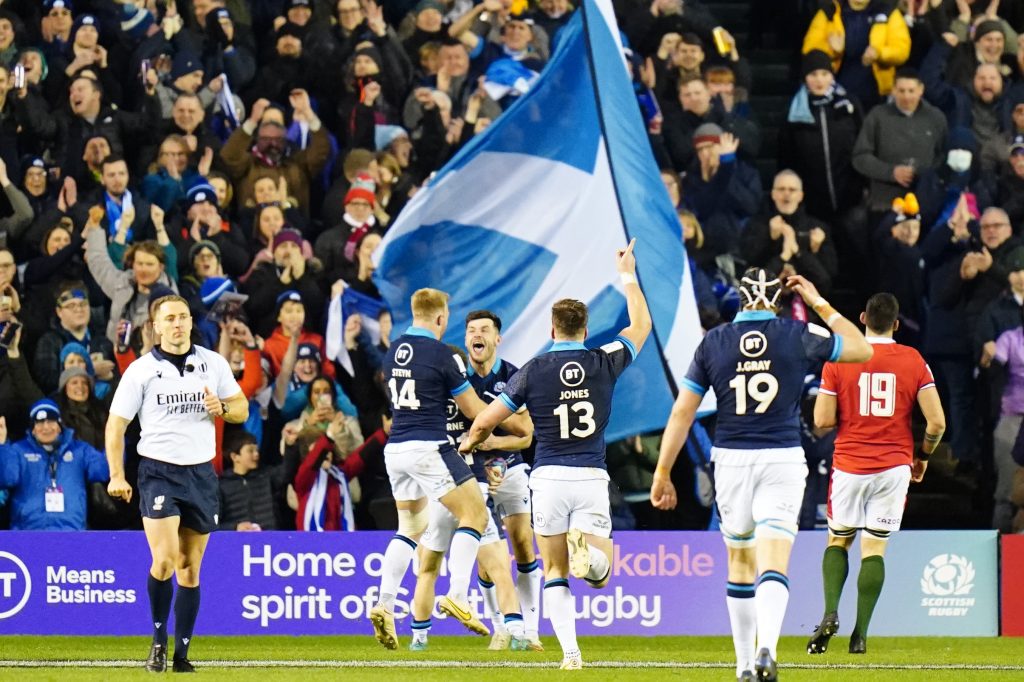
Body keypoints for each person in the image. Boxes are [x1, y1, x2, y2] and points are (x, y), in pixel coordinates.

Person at [650, 268, 873, 681]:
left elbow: (683, 412)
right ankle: (767, 648)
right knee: (774, 561)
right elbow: (861, 349)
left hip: (732, 459)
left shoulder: (712, 342)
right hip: (782, 458)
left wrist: (663, 471)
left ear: (739, 299)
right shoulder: (796, 333)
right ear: (775, 300)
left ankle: (742, 667)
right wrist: (817, 301)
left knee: (739, 562)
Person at [461, 239, 652, 670]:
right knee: (601, 576)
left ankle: (570, 655)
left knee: (554, 571)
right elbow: (640, 324)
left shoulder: (531, 371)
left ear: (552, 331)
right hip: (590, 476)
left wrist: (472, 442)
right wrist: (626, 273)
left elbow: (486, 420)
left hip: (546, 479)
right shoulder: (604, 360)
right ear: (585, 330)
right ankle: (594, 558)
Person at [368, 287, 531, 650]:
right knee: (474, 513)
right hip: (430, 446)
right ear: (441, 318)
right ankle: (459, 593)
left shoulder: (393, 350)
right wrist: (508, 409)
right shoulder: (444, 355)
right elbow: (474, 410)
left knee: (409, 528)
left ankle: (384, 602)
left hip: (395, 450)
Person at [104, 294, 248, 672]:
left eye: (183, 316)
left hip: (201, 473)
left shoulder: (212, 363)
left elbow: (242, 408)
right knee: (164, 560)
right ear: (155, 326)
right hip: (159, 472)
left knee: (190, 567)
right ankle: (157, 640)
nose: (178, 323)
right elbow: (116, 425)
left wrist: (224, 409)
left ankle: (182, 654)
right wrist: (117, 474)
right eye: (170, 318)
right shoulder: (140, 371)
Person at [807, 293, 945, 656]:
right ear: (897, 324)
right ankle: (860, 635)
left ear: (863, 317)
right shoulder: (913, 360)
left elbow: (821, 420)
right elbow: (937, 422)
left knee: (839, 541)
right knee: (875, 547)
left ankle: (830, 612)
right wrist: (924, 457)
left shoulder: (839, 359)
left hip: (850, 464)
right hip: (894, 466)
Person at [462, 310, 542, 650]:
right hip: (469, 475)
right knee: (487, 557)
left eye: (484, 330)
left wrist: (494, 442)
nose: (476, 335)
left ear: (497, 339)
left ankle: (533, 630)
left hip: (509, 468)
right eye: (470, 331)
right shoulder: (456, 377)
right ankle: (501, 627)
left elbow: (526, 437)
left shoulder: (514, 376)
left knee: (523, 543)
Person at [0, 398, 109, 530]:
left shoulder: (80, 450)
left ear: (59, 426)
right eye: (39, 422)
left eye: (51, 421)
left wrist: (117, 436)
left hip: (71, 532)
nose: (46, 427)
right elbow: (6, 478)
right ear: (33, 429)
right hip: (27, 533)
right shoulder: (17, 450)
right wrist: (2, 445)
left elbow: (103, 471)